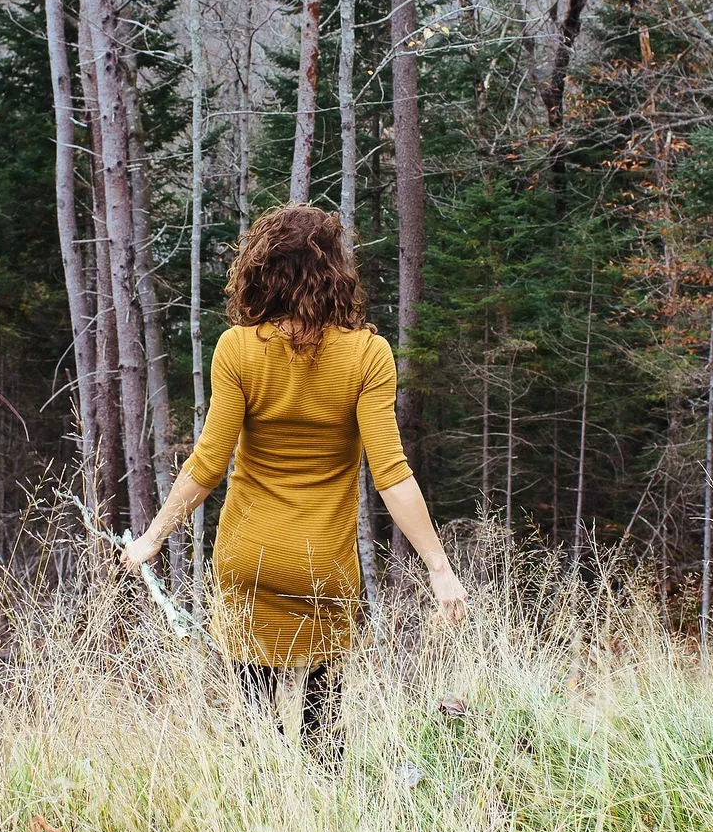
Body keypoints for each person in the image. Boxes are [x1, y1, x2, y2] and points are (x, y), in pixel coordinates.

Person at [120, 204, 469, 755]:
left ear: (261, 269)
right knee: (321, 734)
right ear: (334, 271)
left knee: (254, 734)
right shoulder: (368, 355)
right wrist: (440, 570)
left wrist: (152, 537)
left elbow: (208, 465)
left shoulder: (238, 348)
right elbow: (392, 475)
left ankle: (260, 824)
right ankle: (321, 829)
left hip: (246, 560)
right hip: (321, 565)